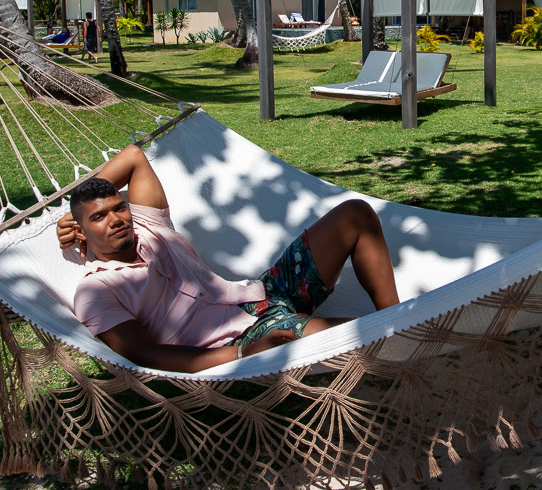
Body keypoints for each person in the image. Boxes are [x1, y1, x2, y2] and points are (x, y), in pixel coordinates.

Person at [56, 144, 400, 373]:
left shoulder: (147, 224)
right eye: (99, 218)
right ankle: (402, 337)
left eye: (119, 208)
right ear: (82, 233)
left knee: (354, 213)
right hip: (240, 338)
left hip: (259, 294)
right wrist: (242, 355)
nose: (116, 219)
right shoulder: (97, 289)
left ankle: (397, 317)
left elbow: (133, 156)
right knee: (369, 336)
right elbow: (143, 354)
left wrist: (75, 210)